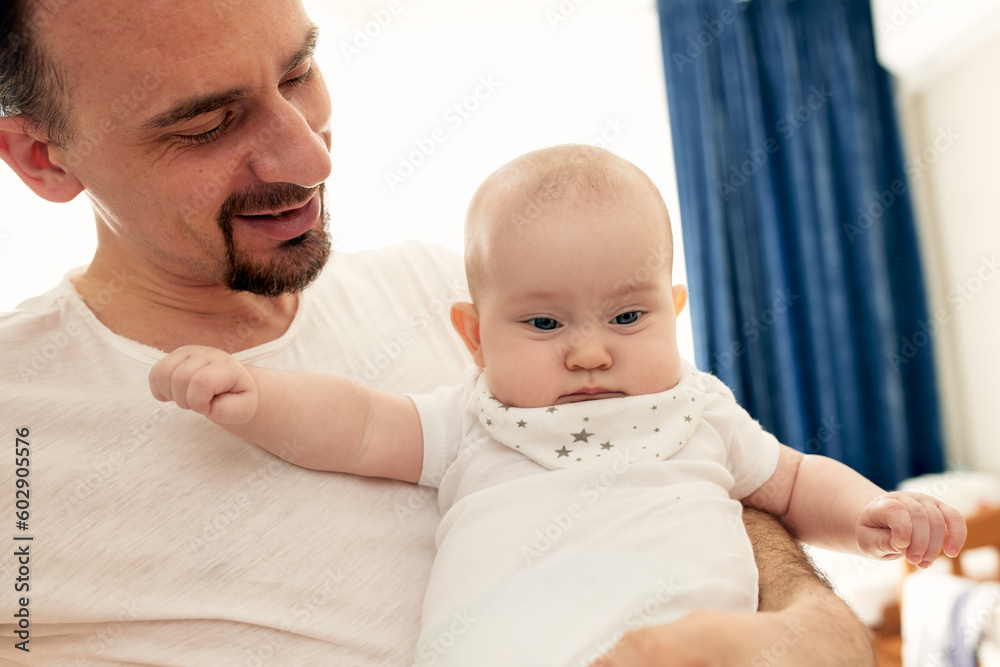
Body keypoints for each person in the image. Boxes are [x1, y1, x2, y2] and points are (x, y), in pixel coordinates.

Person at [0, 0, 876, 663]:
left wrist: (811, 633)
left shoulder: (465, 295)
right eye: (208, 123)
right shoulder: (20, 421)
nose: (312, 158)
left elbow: (689, 462)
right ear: (43, 157)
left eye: (300, 71)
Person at [149, 145, 966, 666]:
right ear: (474, 336)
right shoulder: (469, 417)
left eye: (627, 316)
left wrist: (870, 507)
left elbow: (790, 480)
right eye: (543, 323)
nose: (588, 349)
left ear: (673, 310)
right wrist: (255, 396)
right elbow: (358, 425)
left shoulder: (697, 407)